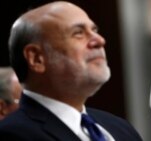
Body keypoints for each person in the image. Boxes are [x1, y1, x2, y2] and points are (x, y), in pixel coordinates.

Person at [0, 1, 142, 141]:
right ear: (37, 58)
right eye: (78, 33)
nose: (100, 40)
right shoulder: (13, 134)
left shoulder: (120, 127)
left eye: (94, 30)